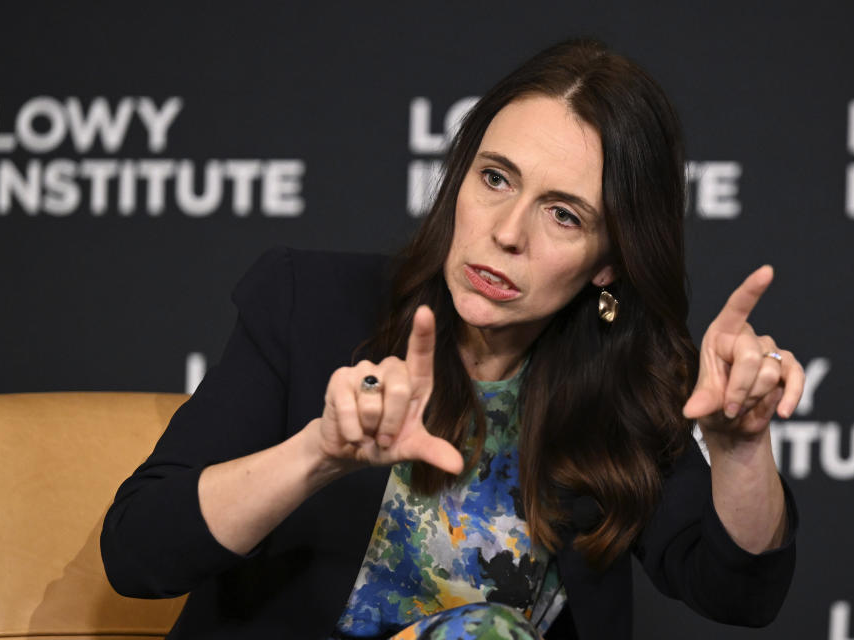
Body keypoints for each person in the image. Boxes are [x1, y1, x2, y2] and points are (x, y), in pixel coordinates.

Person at [101, 39, 803, 640]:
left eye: (563, 215)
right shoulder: (308, 306)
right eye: (495, 179)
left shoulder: (627, 385)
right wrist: (319, 454)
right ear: (459, 177)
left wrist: (740, 452)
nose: (507, 232)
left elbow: (740, 596)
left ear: (610, 260)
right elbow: (137, 555)